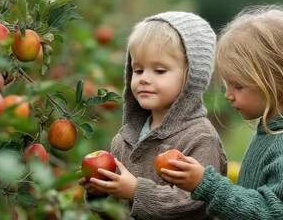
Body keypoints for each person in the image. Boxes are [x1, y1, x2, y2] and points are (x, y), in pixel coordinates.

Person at [160, 4, 283, 219]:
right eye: (227, 85)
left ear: (275, 81)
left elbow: (273, 214)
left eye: (238, 85)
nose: (228, 95)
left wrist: (207, 186)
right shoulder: (274, 133)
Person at [79, 11, 228, 219]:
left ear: (191, 76)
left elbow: (194, 203)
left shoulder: (200, 138)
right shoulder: (125, 140)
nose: (144, 79)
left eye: (159, 71)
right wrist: (100, 192)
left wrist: (135, 192)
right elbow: (114, 212)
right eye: (138, 70)